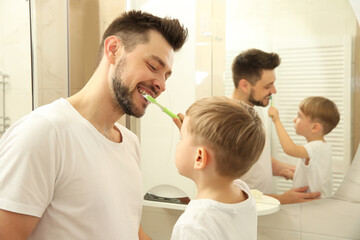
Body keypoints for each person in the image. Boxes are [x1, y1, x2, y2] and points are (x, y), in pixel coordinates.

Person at [0, 10, 188, 239]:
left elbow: (129, 229)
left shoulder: (130, 143)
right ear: (113, 49)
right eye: (152, 66)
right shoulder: (44, 132)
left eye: (166, 75)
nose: (161, 85)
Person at [230, 48, 321, 204]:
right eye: (268, 86)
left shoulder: (254, 111)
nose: (274, 91)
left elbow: (256, 159)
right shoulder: (230, 121)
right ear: (245, 85)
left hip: (261, 208)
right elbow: (227, 189)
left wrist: (293, 170)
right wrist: (281, 199)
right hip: (245, 210)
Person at [170, 96, 265, 240]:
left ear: (199, 157)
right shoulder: (243, 193)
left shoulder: (192, 226)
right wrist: (192, 136)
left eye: (181, 138)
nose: (178, 143)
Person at [268, 96, 340, 198]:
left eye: (299, 116)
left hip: (313, 206)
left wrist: (276, 121)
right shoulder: (322, 147)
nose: (294, 120)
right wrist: (295, 176)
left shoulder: (315, 147)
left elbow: (289, 149)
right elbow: (315, 177)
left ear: (315, 128)